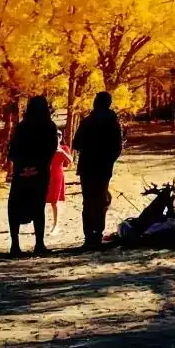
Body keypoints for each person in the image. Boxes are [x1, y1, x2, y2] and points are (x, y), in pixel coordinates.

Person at [6, 96, 59, 256]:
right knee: (38, 207)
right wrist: (37, 166)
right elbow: (51, 149)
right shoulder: (49, 127)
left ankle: (15, 245)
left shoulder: (22, 127)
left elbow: (13, 150)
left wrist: (24, 166)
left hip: (21, 173)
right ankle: (39, 244)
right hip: (40, 172)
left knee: (15, 206)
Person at [72, 91, 123, 249]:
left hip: (87, 166)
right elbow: (117, 147)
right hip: (104, 167)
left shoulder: (88, 121)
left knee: (88, 201)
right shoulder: (113, 123)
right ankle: (98, 235)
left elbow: (76, 143)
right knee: (100, 201)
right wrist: (109, 160)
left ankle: (89, 237)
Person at [47, 133, 73, 232]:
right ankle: (41, 224)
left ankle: (55, 224)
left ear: (60, 138)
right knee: (41, 201)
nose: (56, 138)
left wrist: (62, 152)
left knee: (54, 201)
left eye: (59, 136)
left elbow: (70, 161)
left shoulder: (64, 148)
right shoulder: (46, 148)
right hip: (46, 176)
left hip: (57, 176)